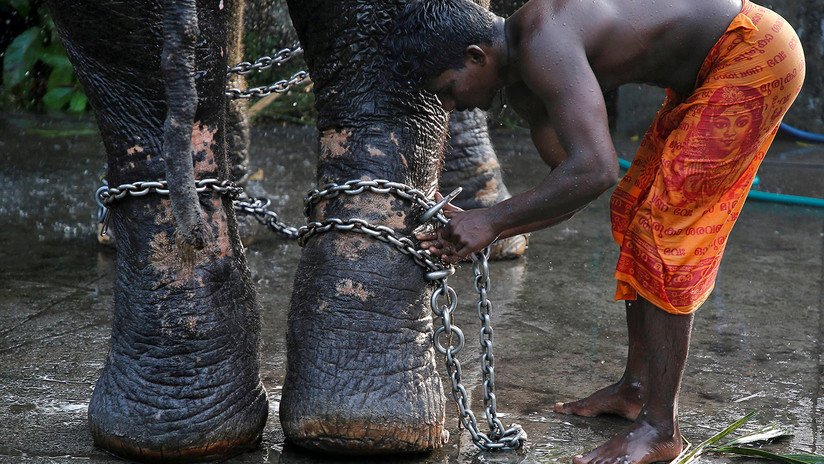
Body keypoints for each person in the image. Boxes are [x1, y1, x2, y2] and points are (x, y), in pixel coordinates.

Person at [391, 0, 805, 463]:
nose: (452, 105)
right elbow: (569, 189)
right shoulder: (526, 86)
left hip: (752, 54)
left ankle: (660, 429)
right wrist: (482, 228)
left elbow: (596, 169)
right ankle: (636, 389)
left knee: (665, 232)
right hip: (709, 74)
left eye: (448, 90)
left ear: (475, 56)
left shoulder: (543, 42)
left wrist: (489, 219)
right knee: (633, 210)